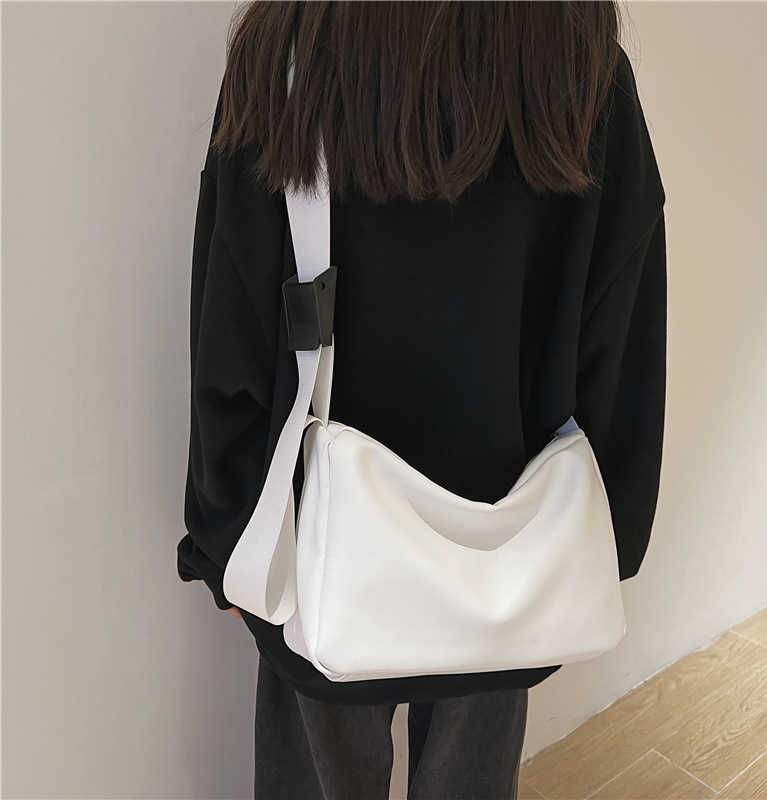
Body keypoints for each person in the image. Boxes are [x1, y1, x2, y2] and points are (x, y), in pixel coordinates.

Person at [177, 2, 667, 798]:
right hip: (514, 549)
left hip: (314, 548)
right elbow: (622, 336)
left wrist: (225, 540)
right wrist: (612, 535)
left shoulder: (287, 58)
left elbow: (230, 331)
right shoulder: (579, 65)